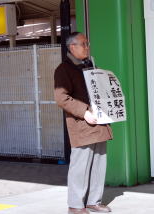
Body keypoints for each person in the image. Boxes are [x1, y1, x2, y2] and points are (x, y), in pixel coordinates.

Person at [54, 32, 113, 214]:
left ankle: (93, 201)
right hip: (82, 124)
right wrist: (84, 112)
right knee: (79, 167)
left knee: (98, 164)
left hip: (99, 123)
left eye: (88, 43)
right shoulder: (63, 69)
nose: (87, 47)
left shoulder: (91, 66)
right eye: (84, 44)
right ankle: (75, 205)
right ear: (72, 47)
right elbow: (61, 98)